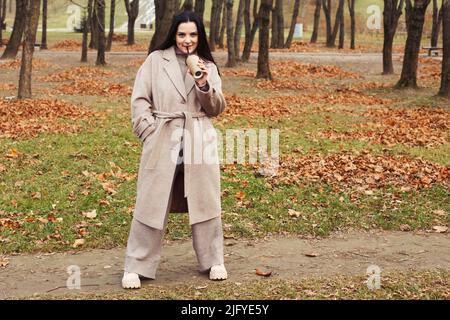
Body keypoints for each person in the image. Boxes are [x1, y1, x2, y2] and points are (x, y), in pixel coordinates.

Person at [122, 10, 227, 289]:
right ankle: (137, 264)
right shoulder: (156, 61)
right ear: (174, 34)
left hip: (198, 140)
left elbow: (216, 108)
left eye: (193, 34)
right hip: (163, 138)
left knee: (206, 201)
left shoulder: (208, 66)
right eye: (182, 34)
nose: (187, 40)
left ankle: (213, 260)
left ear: (199, 36)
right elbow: (140, 99)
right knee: (151, 201)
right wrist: (148, 130)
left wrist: (203, 83)